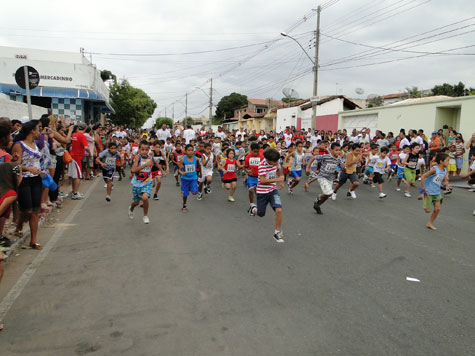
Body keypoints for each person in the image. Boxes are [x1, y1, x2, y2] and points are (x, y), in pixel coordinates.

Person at [11, 120, 44, 249]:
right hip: (24, 179)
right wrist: (27, 169)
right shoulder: (19, 145)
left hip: (36, 179)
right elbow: (15, 165)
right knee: (28, 210)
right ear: (32, 131)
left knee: (35, 210)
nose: (40, 132)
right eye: (38, 129)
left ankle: (33, 240)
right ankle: (19, 224)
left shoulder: (35, 145)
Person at [250, 148, 285, 243]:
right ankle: (253, 209)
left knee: (279, 210)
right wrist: (278, 179)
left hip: (273, 191)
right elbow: (263, 180)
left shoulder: (276, 162)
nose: (277, 162)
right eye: (275, 161)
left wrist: (281, 180)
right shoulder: (262, 165)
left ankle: (277, 233)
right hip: (262, 192)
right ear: (269, 160)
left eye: (278, 160)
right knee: (261, 214)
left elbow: (278, 170)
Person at [313, 143, 345, 215]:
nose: (338, 152)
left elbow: (343, 167)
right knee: (329, 193)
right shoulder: (326, 156)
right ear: (331, 150)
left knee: (326, 196)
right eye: (336, 150)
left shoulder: (339, 159)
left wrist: (343, 168)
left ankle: (317, 205)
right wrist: (308, 168)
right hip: (322, 177)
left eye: (339, 150)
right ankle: (318, 198)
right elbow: (314, 157)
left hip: (330, 178)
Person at [420, 153, 450, 230]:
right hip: (428, 192)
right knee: (427, 210)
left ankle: (430, 223)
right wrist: (423, 189)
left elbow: (443, 181)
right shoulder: (434, 169)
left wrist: (446, 184)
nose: (448, 162)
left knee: (437, 209)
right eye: (447, 160)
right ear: (441, 161)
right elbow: (423, 177)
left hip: (437, 192)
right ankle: (423, 195)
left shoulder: (445, 170)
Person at [128, 141, 154, 224]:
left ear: (149, 150)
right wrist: (145, 165)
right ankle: (131, 208)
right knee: (136, 202)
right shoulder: (137, 157)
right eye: (142, 149)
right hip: (137, 183)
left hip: (147, 182)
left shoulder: (150, 158)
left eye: (146, 149)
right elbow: (133, 170)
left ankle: (145, 216)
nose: (144, 151)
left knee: (145, 198)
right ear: (139, 150)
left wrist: (162, 171)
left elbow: (154, 165)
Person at [178, 144, 200, 212]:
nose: (190, 152)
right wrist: (181, 172)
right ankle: (184, 205)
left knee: (194, 192)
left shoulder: (196, 159)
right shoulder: (183, 159)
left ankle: (190, 188)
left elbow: (199, 167)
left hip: (193, 178)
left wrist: (200, 174)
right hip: (185, 179)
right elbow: (179, 169)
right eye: (189, 150)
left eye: (192, 150)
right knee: (185, 194)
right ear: (185, 151)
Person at [69, 122, 88, 200]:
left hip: (72, 156)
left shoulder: (74, 135)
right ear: (85, 129)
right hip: (77, 157)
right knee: (78, 176)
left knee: (74, 175)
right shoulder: (82, 136)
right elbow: (86, 147)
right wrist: (89, 152)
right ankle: (75, 193)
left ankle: (74, 191)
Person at [244, 142, 264, 215]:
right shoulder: (248, 157)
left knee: (258, 192)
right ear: (251, 150)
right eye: (254, 151)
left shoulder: (261, 157)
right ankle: (252, 204)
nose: (256, 153)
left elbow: (264, 166)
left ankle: (256, 205)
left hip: (259, 177)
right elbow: (245, 167)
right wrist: (247, 170)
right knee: (251, 190)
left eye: (257, 151)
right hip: (251, 177)